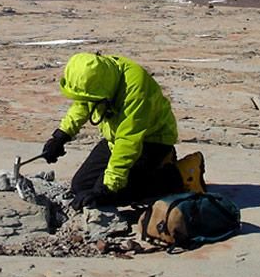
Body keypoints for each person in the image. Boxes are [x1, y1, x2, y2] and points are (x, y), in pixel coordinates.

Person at [41, 52, 206, 210]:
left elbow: (128, 141)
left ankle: (180, 174)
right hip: (115, 139)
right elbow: (83, 103)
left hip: (152, 140)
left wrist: (107, 188)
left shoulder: (135, 90)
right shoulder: (99, 78)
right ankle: (152, 170)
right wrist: (62, 136)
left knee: (114, 193)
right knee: (81, 187)